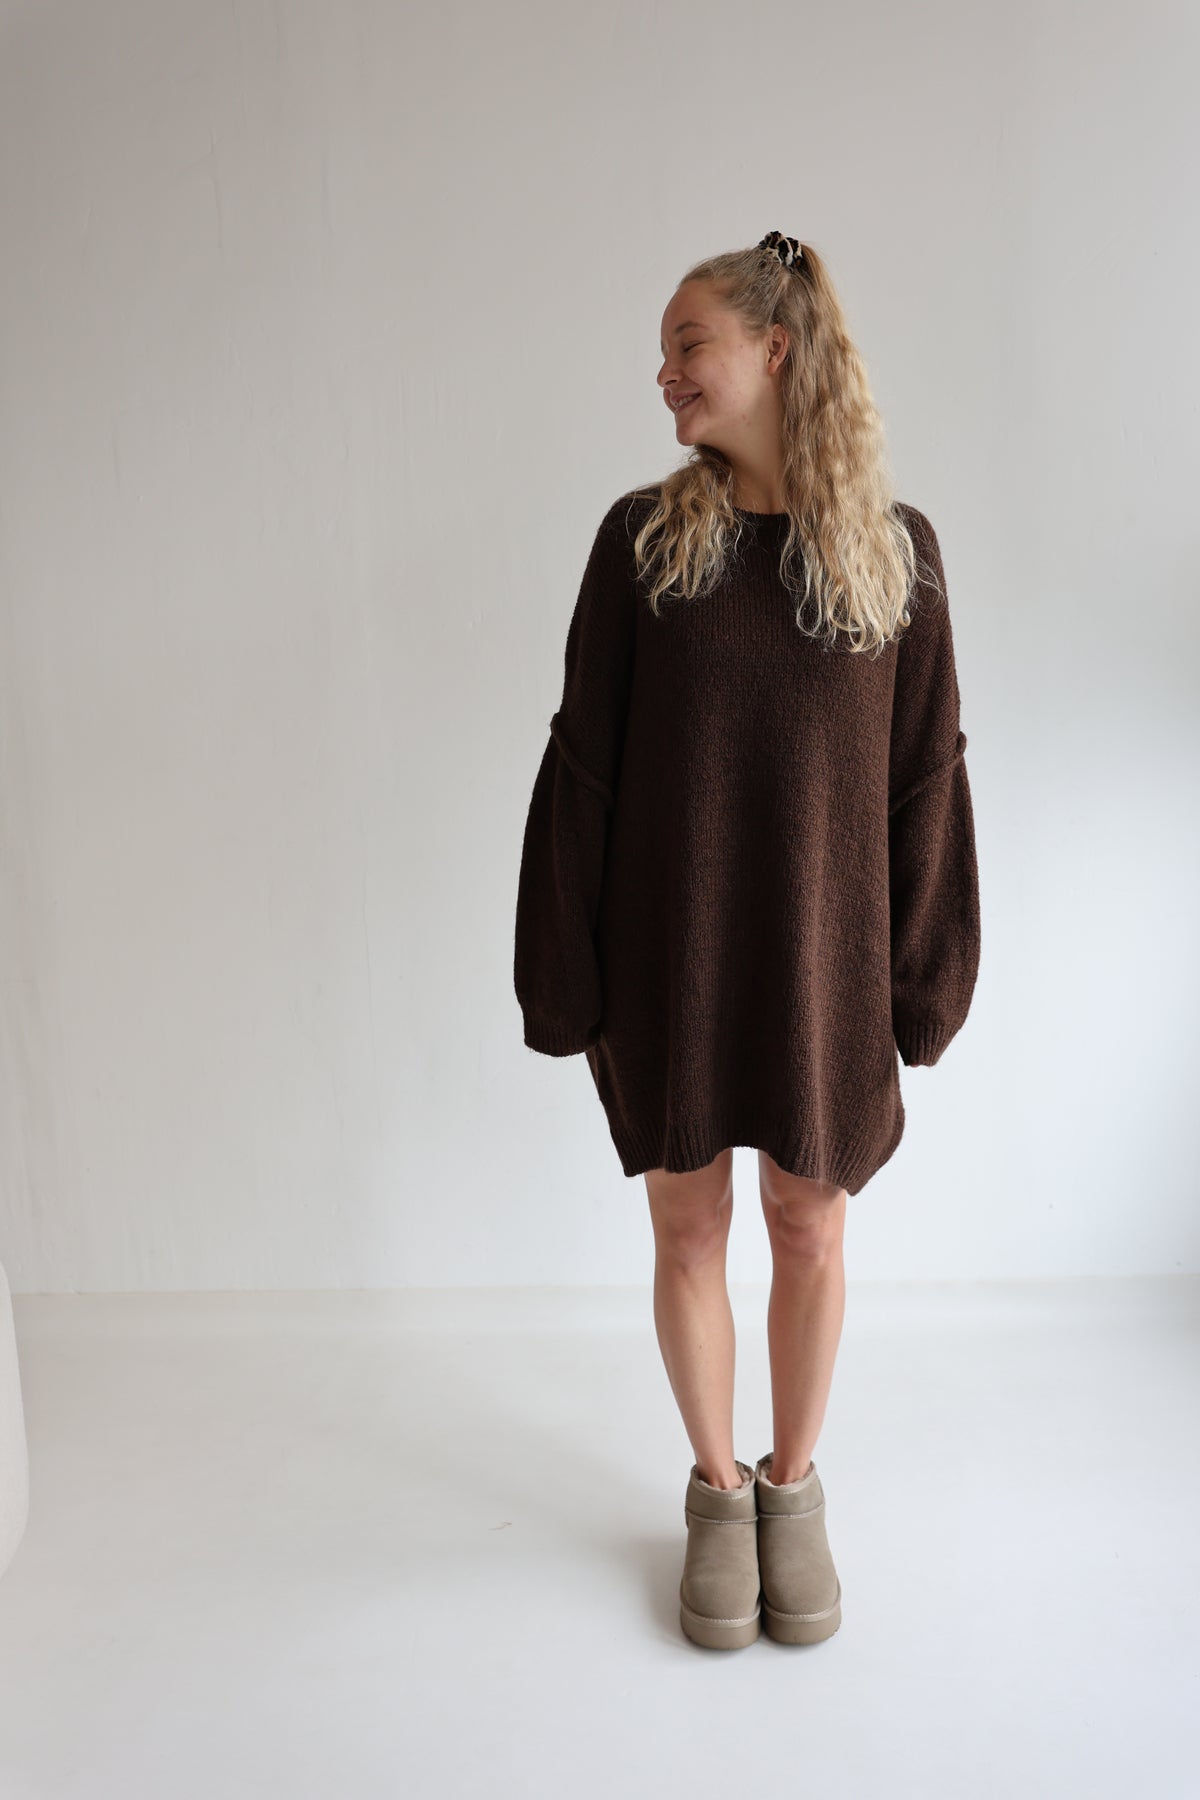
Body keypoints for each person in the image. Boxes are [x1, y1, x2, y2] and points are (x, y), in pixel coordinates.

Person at [513, 232, 981, 1650]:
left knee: (809, 1223)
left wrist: (924, 978)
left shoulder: (897, 557)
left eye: (687, 344)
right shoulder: (641, 546)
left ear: (776, 351)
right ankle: (718, 1490)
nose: (664, 374)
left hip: (820, 964)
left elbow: (924, 783)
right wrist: (565, 969)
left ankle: (795, 1487)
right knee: (691, 1225)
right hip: (672, 954)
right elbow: (584, 766)